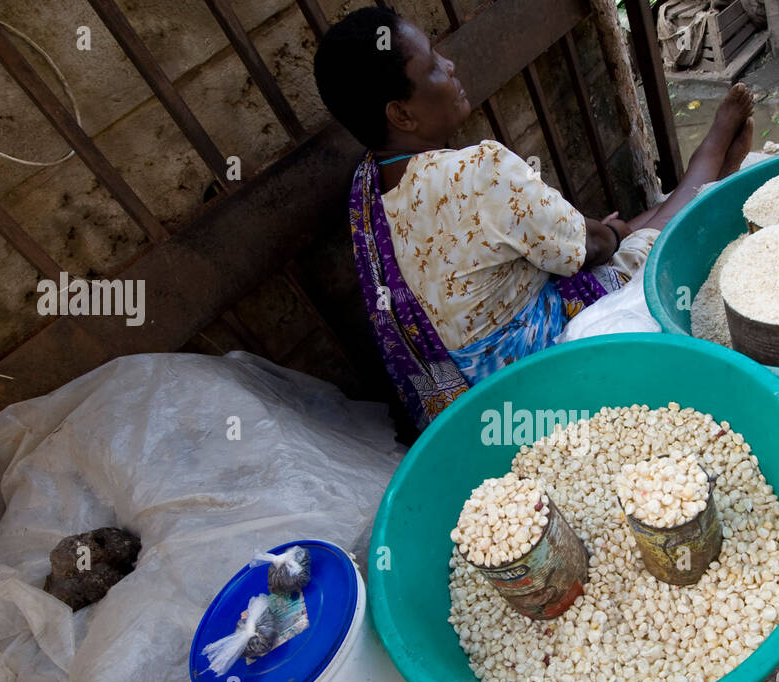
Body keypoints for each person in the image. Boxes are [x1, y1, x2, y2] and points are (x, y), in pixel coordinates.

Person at [315, 6, 754, 430]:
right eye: (432, 65)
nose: (450, 66)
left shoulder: (367, 187)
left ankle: (690, 190)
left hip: (460, 399)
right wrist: (612, 234)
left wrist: (604, 232)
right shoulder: (477, 171)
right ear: (401, 114)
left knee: (617, 228)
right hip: (531, 374)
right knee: (643, 240)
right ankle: (707, 168)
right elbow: (592, 249)